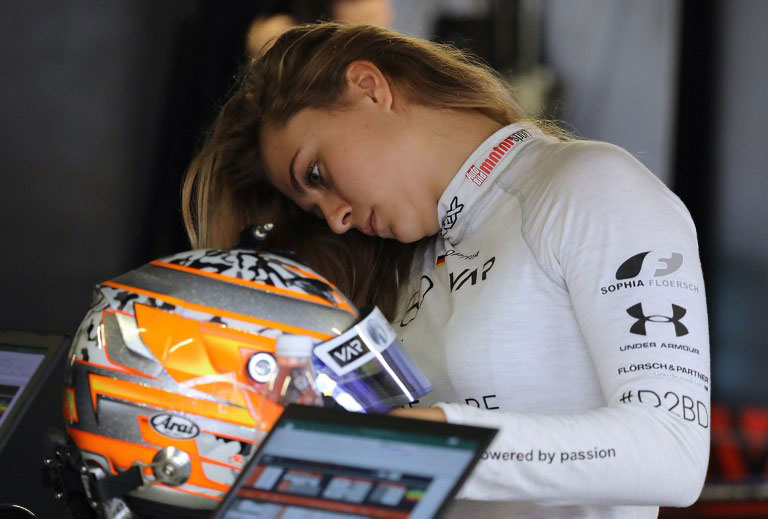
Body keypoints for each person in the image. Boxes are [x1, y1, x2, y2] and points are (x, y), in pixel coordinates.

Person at [182, 22, 710, 519]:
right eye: (314, 208)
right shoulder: (398, 264)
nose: (337, 220)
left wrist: (433, 438)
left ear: (369, 86)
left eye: (316, 173)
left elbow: (674, 450)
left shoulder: (589, 186)